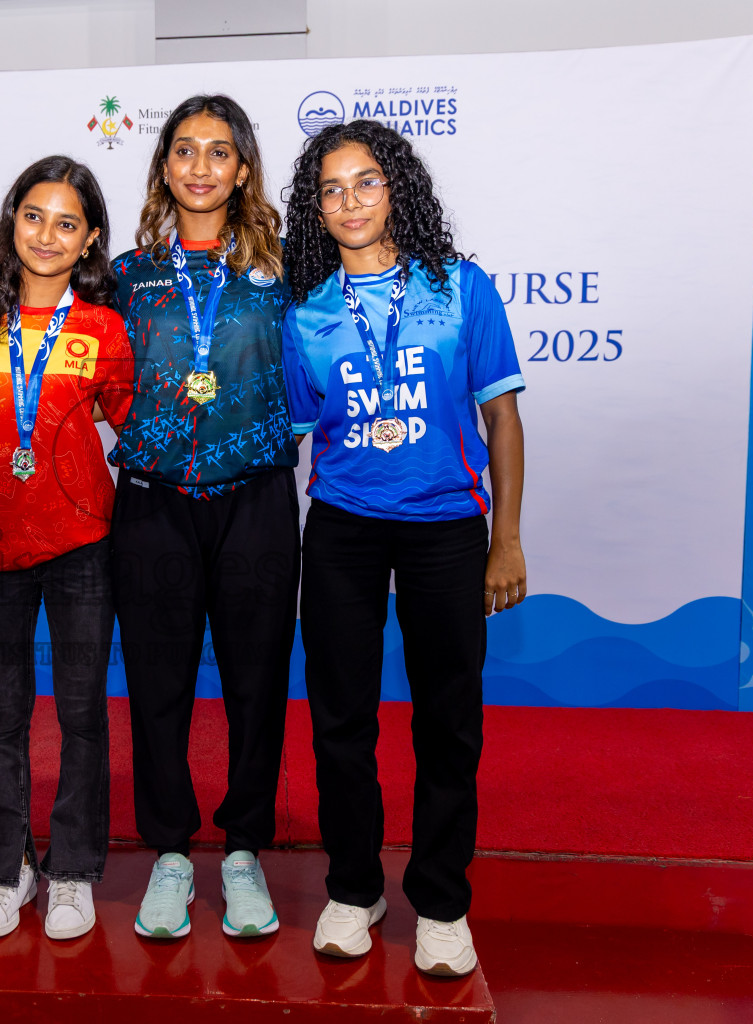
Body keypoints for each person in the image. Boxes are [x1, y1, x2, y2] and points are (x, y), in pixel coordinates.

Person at [280, 121, 526, 971]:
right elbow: (305, 438)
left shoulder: (462, 289)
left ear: (400, 190)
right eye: (331, 188)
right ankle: (354, 887)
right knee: (340, 720)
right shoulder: (306, 313)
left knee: (448, 722)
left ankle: (442, 902)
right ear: (316, 209)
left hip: (448, 528)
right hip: (344, 525)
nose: (349, 201)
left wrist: (508, 539)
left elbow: (501, 416)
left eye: (367, 182)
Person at [109, 94, 299, 941]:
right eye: (183, 151)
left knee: (257, 682)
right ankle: (172, 855)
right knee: (157, 686)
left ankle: (246, 849)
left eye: (218, 152)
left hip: (256, 497)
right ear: (163, 168)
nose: (199, 167)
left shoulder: (288, 266)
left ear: (243, 169)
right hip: (152, 503)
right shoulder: (123, 272)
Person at [0, 156, 133, 941]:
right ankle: (6, 869)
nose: (48, 235)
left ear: (89, 242)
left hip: (83, 543)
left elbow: (133, 429)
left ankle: (75, 869)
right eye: (34, 216)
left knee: (82, 712)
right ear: (11, 220)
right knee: (2, 715)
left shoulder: (103, 327)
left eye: (68, 223)